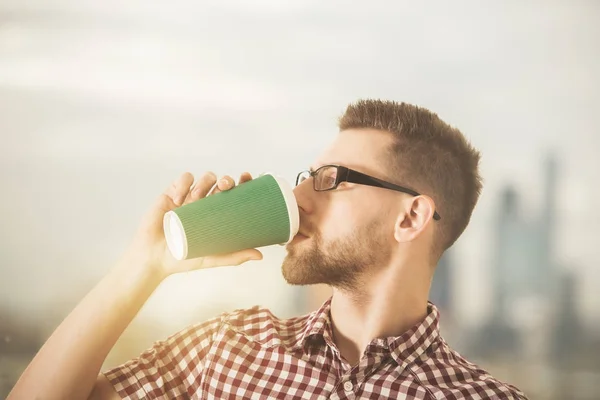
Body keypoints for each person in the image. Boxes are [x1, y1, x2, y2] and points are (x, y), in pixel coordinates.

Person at [8, 99, 528, 399]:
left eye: (332, 179)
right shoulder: (228, 347)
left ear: (411, 216)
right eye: (307, 175)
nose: (298, 196)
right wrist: (145, 265)